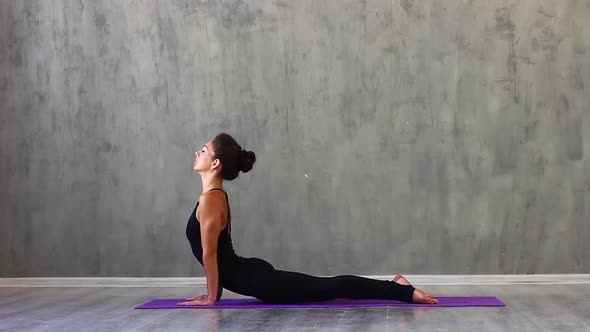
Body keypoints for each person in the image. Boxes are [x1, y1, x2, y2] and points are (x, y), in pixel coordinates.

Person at [180, 133, 438, 306]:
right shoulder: (213, 197)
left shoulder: (211, 200)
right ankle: (396, 287)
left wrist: (211, 298)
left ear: (215, 163)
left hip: (260, 281)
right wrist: (215, 294)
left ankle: (400, 290)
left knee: (331, 288)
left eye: (203, 150)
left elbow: (210, 255)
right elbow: (216, 254)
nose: (197, 152)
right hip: (251, 274)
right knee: (328, 288)